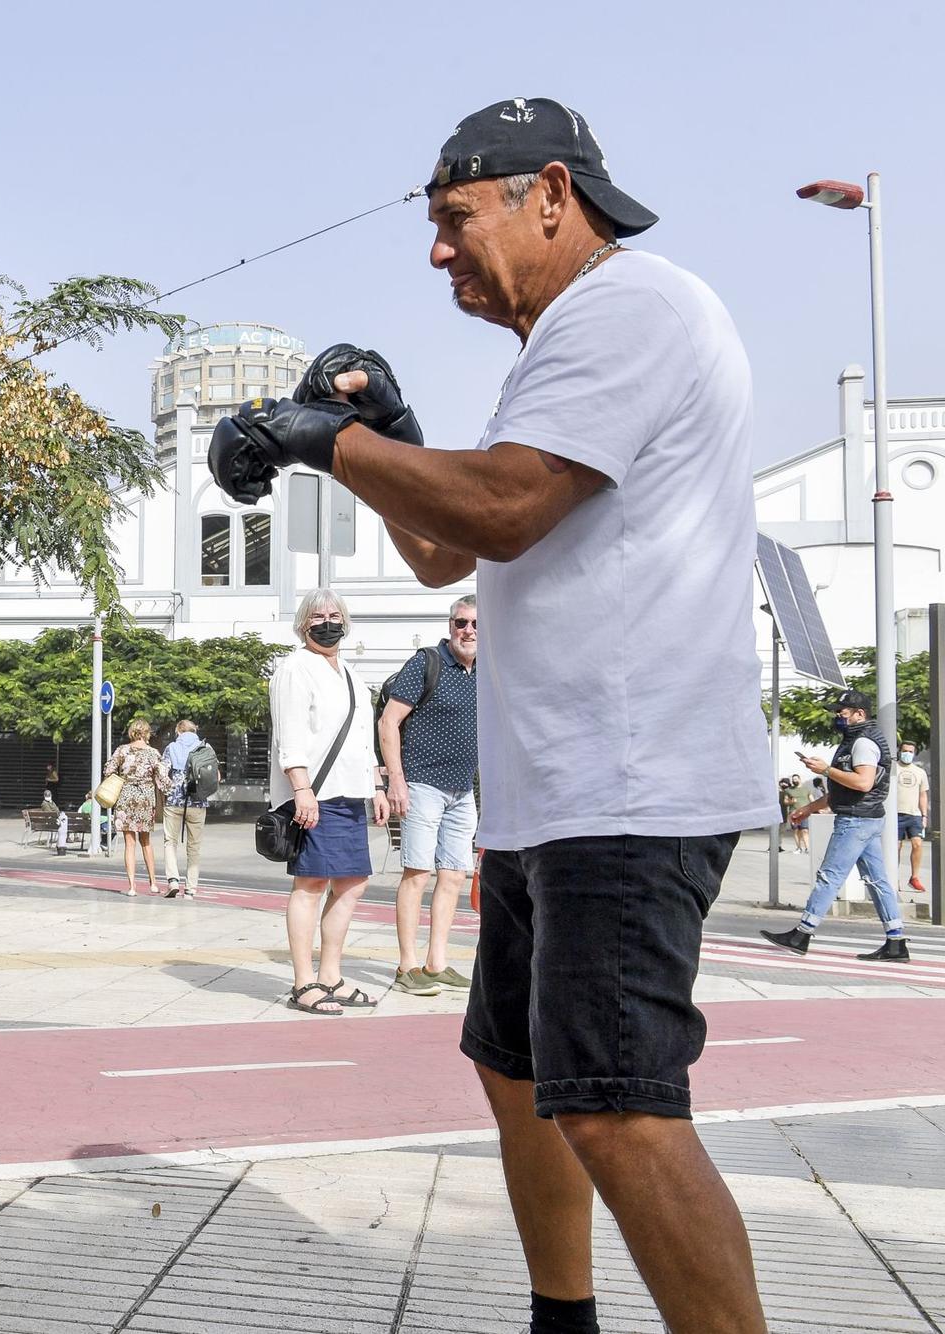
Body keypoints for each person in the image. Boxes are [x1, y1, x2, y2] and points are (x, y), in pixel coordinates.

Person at [207, 99, 776, 1329]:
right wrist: (379, 440)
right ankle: (556, 1318)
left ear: (549, 195)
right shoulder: (567, 336)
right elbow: (446, 549)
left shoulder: (630, 307)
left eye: (454, 219)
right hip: (549, 796)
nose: (435, 252)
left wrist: (329, 436)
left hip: (631, 784)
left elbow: (507, 503)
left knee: (616, 1103)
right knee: (518, 1071)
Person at [271, 591, 385, 1012]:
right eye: (318, 615)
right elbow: (291, 737)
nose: (327, 621)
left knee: (354, 882)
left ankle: (332, 976)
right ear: (303, 624)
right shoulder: (295, 669)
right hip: (317, 795)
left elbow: (363, 737)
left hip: (351, 792)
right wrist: (301, 788)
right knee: (312, 884)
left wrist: (375, 785)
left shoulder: (352, 674)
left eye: (335, 614)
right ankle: (304, 983)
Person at [380, 596, 481, 996]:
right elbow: (389, 722)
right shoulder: (427, 662)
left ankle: (436, 963)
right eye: (460, 623)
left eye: (475, 623)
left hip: (463, 789)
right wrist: (396, 781)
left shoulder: (486, 670)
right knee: (417, 873)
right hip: (422, 784)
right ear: (450, 624)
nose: (468, 630)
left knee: (454, 875)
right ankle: (407, 967)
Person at [763, 691, 909, 961]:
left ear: (859, 714)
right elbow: (846, 789)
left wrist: (825, 771)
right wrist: (808, 808)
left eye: (842, 712)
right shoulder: (857, 740)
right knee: (877, 881)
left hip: (856, 820)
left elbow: (863, 783)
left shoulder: (864, 743)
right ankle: (896, 941)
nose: (838, 716)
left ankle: (802, 934)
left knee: (829, 876)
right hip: (867, 818)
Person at [102, 719, 170, 897]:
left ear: (132, 732)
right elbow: (163, 779)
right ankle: (153, 883)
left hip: (125, 797)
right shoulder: (153, 753)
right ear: (147, 733)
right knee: (146, 842)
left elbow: (108, 770)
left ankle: (132, 886)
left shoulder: (122, 750)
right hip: (145, 799)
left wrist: (124, 776)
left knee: (129, 843)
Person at [159, 719, 211, 899]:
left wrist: (168, 789)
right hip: (198, 801)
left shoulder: (171, 748)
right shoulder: (205, 748)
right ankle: (191, 888)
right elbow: (215, 775)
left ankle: (173, 881)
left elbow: (161, 772)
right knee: (194, 847)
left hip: (174, 801)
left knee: (170, 842)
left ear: (179, 731)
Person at [897, 742, 929, 894]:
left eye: (910, 751)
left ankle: (914, 877)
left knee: (917, 844)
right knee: (896, 847)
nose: (907, 754)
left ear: (914, 753)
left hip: (914, 814)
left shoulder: (920, 772)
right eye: (904, 751)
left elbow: (923, 795)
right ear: (899, 751)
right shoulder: (893, 769)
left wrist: (924, 815)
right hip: (896, 814)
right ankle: (894, 877)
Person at [778, 775, 811, 854]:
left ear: (800, 779)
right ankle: (799, 848)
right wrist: (791, 802)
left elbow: (812, 800)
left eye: (796, 779)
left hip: (804, 813)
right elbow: (785, 802)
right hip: (793, 813)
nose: (794, 781)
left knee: (805, 830)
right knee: (796, 831)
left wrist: (816, 809)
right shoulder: (789, 790)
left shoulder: (806, 789)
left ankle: (807, 848)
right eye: (793, 780)